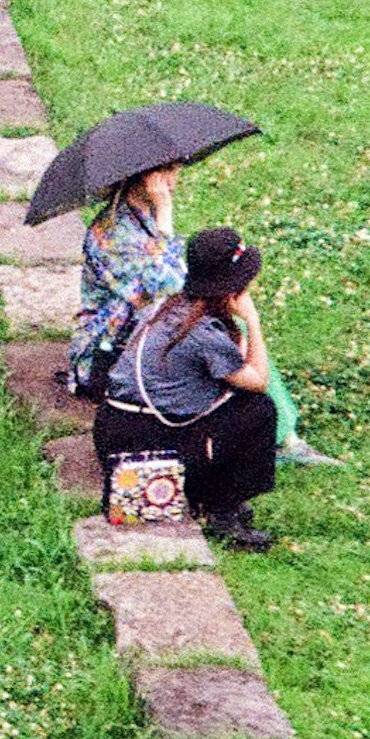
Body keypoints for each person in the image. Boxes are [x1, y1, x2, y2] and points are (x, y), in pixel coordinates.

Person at [68, 159, 334, 467]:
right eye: (165, 171)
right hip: (109, 352)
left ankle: (275, 425)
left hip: (145, 329)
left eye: (176, 169)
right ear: (141, 175)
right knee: (220, 327)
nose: (173, 179)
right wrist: (166, 211)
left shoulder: (140, 217)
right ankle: (280, 435)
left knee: (222, 320)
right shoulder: (113, 234)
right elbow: (173, 286)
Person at [96, 228, 282, 551]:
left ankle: (211, 495)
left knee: (229, 408)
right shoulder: (202, 333)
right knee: (257, 410)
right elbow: (258, 380)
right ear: (230, 288)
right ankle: (223, 513)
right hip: (145, 440)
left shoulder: (170, 307)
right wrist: (252, 320)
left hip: (114, 429)